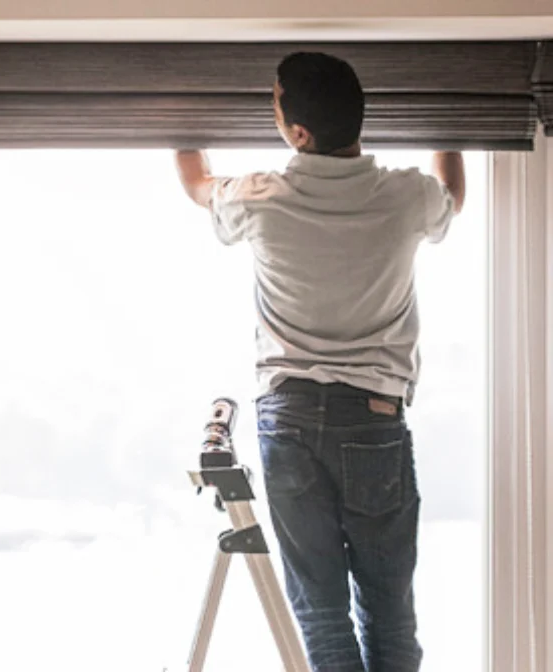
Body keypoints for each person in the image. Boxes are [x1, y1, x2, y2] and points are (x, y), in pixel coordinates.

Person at [174, 52, 466, 672]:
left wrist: (181, 112)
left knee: (322, 609)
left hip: (291, 418)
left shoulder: (259, 197)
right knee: (389, 611)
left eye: (275, 102)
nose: (272, 109)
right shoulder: (404, 198)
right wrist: (456, 118)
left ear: (299, 133)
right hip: (373, 417)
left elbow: (196, 183)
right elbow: (453, 196)